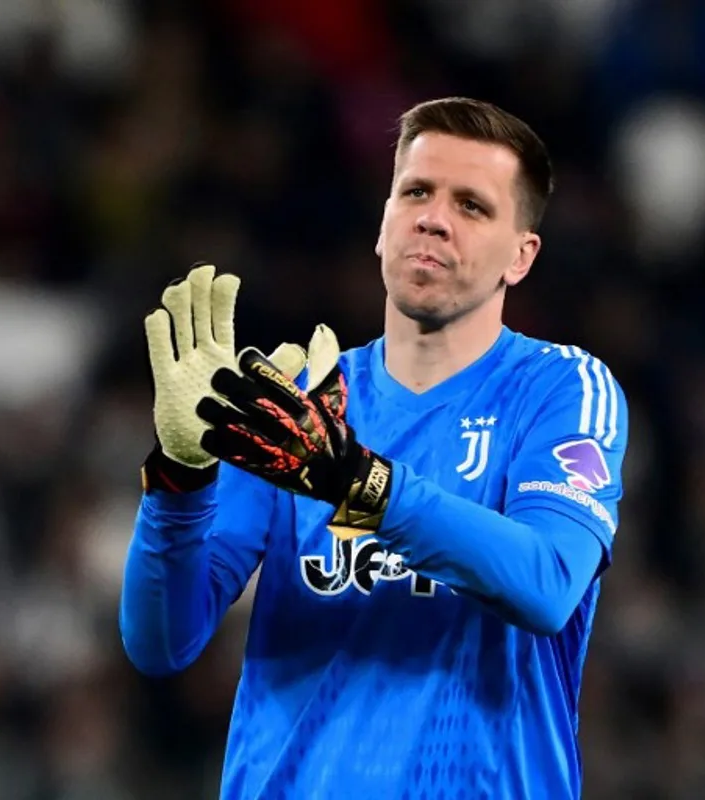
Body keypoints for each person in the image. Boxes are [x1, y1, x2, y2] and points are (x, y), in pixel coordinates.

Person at [120, 97, 628, 799]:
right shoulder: (299, 408)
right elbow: (161, 642)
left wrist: (355, 481)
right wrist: (181, 477)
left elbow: (545, 585)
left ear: (522, 255)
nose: (433, 217)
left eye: (472, 205)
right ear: (383, 225)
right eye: (415, 191)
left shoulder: (561, 390)